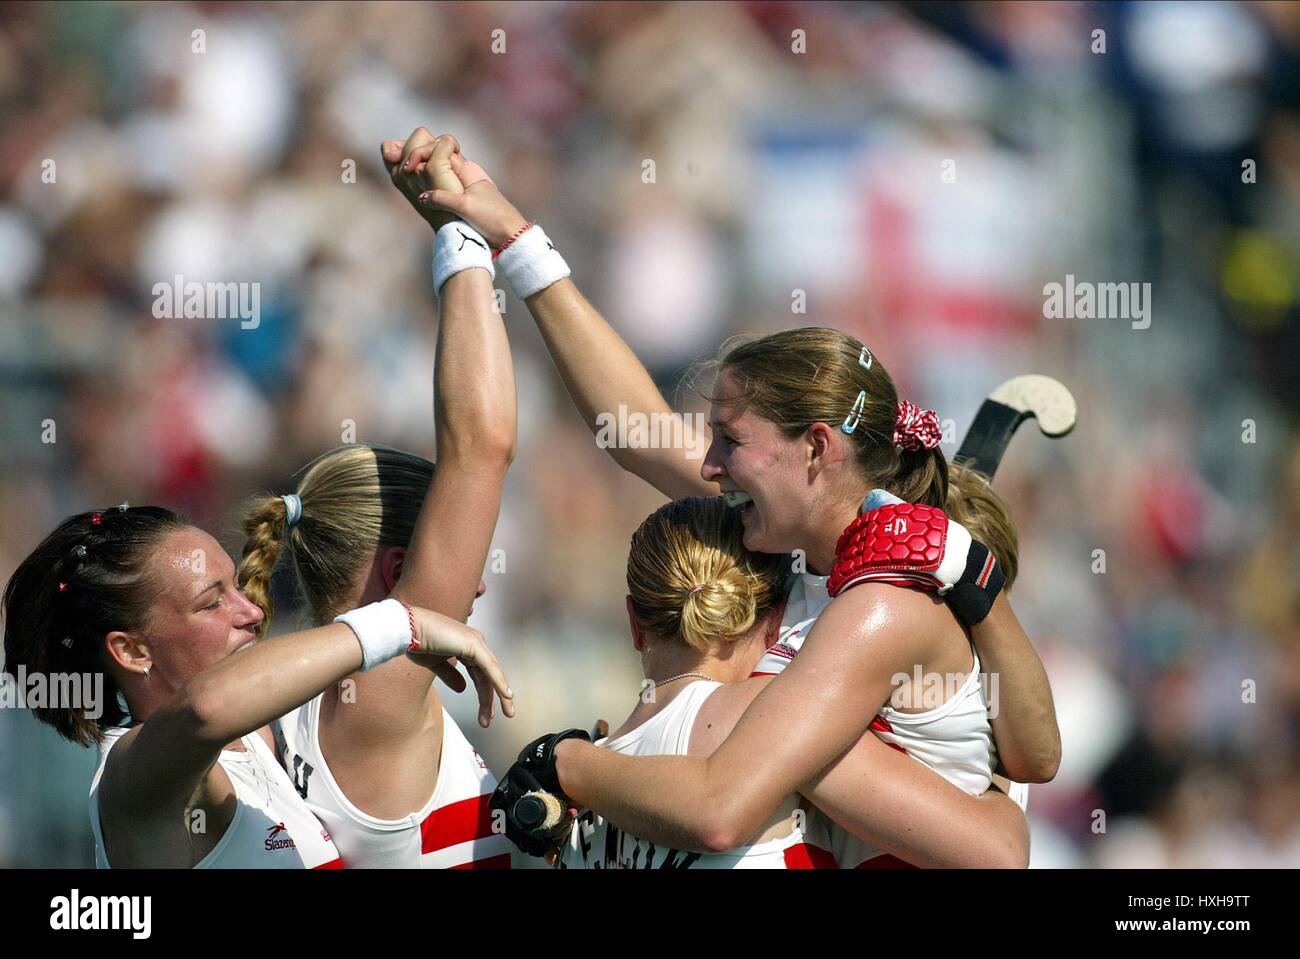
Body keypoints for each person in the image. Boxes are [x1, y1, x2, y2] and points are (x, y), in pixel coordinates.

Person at [406, 145, 1059, 864]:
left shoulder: (885, 601)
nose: (710, 465)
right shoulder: (790, 540)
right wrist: (513, 240)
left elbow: (723, 804)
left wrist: (574, 764)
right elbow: (632, 429)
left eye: (729, 441)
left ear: (816, 449)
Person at [233, 131, 520, 868]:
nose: (477, 579)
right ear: (400, 565)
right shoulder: (380, 691)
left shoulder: (290, 691)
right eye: (465, 555)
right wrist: (461, 236)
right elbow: (479, 447)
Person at [0, 504, 511, 869]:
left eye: (237, 587)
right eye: (210, 603)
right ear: (132, 652)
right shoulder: (132, 777)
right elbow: (203, 710)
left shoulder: (259, 743)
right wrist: (399, 624)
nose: (253, 612)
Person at [558, 496, 1030, 869]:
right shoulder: (772, 718)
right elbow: (995, 851)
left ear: (633, 622)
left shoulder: (570, 793)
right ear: (774, 614)